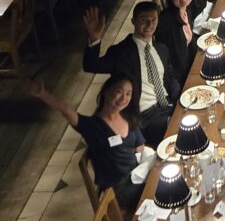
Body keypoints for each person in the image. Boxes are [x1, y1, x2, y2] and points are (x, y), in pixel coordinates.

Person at [25, 75, 146, 210]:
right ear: (106, 92)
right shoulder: (93, 127)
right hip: (119, 188)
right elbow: (66, 110)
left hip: (137, 173)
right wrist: (43, 94)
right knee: (158, 191)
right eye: (119, 91)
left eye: (128, 94)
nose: (124, 98)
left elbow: (140, 146)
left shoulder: (127, 116)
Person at [82, 2, 179, 147]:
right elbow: (91, 65)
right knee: (180, 129)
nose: (149, 24)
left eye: (153, 20)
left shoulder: (161, 49)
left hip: (169, 106)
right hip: (144, 117)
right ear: (133, 21)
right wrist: (94, 38)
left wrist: (182, 101)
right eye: (144, 20)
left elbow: (170, 79)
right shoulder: (121, 52)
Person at [155, 0, 213, 85]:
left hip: (192, 65)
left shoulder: (185, 11)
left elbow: (190, 47)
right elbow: (177, 64)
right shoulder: (168, 22)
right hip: (182, 79)